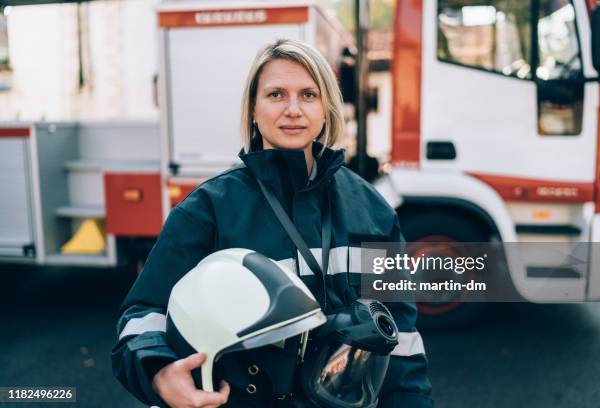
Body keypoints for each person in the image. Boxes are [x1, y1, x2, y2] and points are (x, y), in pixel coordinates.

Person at [112, 39, 433, 408]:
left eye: (308, 95)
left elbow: (402, 337)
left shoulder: (373, 211)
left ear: (326, 108)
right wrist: (159, 370)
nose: (293, 110)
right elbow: (143, 315)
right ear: (253, 109)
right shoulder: (208, 210)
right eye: (276, 94)